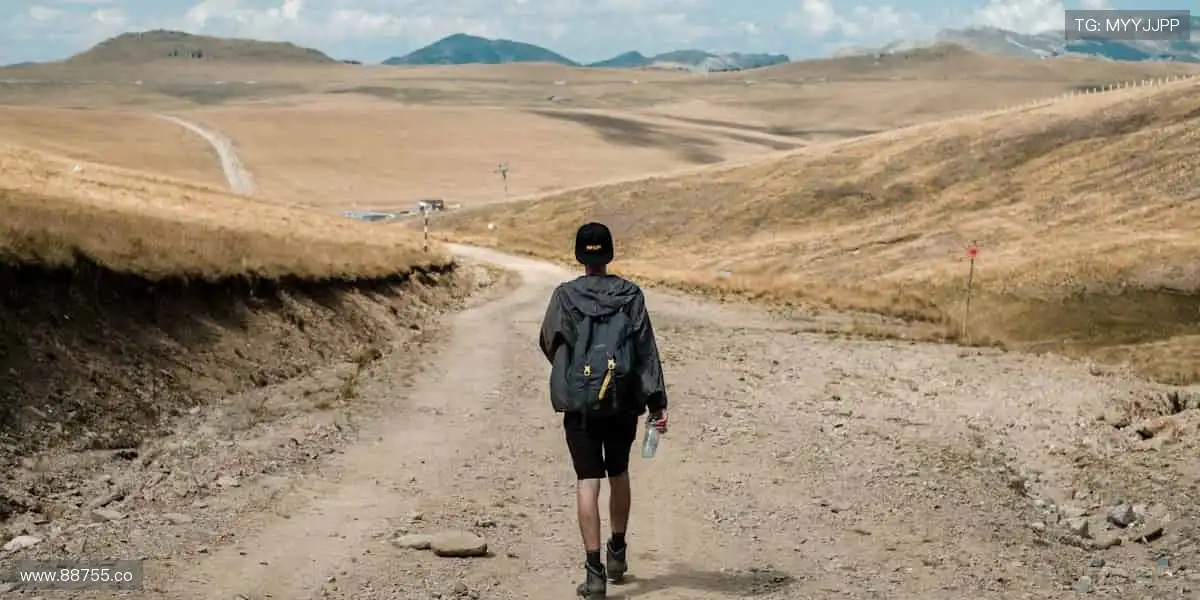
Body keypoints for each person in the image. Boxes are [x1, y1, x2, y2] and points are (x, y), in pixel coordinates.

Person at [538, 222, 669, 599]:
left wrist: (574, 371)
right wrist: (656, 401)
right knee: (619, 472)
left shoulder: (564, 296)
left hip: (580, 404)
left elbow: (548, 341)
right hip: (623, 401)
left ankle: (594, 574)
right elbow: (645, 350)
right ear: (609, 254)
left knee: (587, 480)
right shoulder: (631, 295)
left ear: (580, 256)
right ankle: (618, 553)